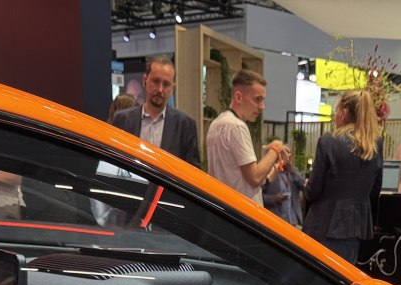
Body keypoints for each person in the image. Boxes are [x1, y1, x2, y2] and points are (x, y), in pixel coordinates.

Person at [302, 89, 383, 263]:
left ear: (345, 112)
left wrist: (305, 185)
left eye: (336, 111)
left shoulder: (328, 141)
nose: (335, 115)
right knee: (342, 283)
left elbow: (313, 191)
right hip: (355, 228)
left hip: (323, 225)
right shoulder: (375, 145)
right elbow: (375, 189)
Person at [206, 68, 288, 207]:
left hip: (223, 208)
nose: (262, 106)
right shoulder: (237, 126)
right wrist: (275, 148)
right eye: (257, 99)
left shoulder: (216, 124)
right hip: (241, 213)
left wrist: (273, 167)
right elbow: (255, 177)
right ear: (238, 97)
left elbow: (239, 179)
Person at [110, 56, 201, 167]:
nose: (160, 89)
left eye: (166, 84)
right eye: (156, 81)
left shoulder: (185, 125)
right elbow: (112, 163)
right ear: (145, 80)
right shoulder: (122, 120)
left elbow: (193, 172)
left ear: (172, 88)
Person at [262, 154, 304, 226]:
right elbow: (260, 196)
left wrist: (291, 170)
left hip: (292, 220)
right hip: (275, 220)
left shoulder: (292, 172)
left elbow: (303, 186)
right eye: (284, 155)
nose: (287, 159)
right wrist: (274, 199)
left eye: (289, 156)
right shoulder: (269, 172)